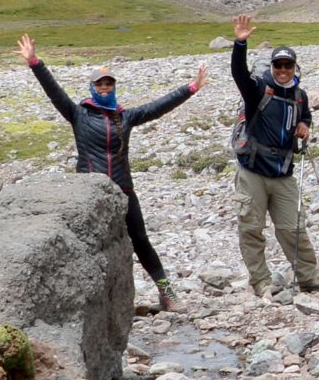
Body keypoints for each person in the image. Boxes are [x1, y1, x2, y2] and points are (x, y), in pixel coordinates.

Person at [19, 34, 206, 313]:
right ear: (92, 87)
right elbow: (53, 90)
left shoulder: (125, 116)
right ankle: (82, 301)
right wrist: (35, 62)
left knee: (141, 240)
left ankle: (167, 294)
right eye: (99, 84)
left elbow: (157, 107)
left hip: (123, 189)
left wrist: (190, 88)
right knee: (88, 246)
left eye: (109, 83)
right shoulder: (78, 114)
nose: (104, 88)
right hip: (89, 193)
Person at [229, 14, 319, 297]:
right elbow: (238, 73)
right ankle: (261, 282)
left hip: (283, 171)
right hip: (252, 171)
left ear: (295, 67)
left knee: (293, 227)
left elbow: (305, 115)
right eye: (278, 65)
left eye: (288, 65)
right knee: (251, 229)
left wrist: (305, 125)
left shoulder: (300, 95)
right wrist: (240, 43)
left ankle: (308, 276)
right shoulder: (257, 89)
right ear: (271, 67)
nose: (283, 70)